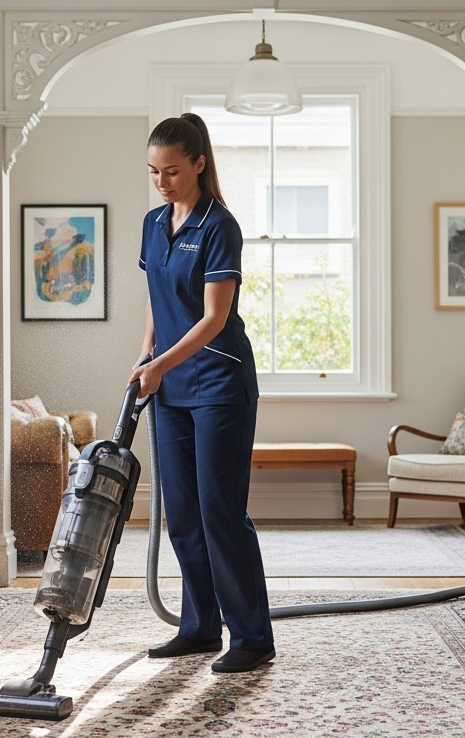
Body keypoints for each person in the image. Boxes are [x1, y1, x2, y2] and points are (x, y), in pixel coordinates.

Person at [130, 112, 274, 674]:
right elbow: (154, 300)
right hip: (169, 384)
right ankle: (198, 627)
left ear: (198, 163)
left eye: (171, 170)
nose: (162, 181)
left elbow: (215, 318)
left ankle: (253, 637)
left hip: (218, 382)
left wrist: (160, 363)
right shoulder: (152, 223)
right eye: (153, 171)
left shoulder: (219, 225)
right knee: (182, 513)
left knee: (219, 510)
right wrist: (145, 354)